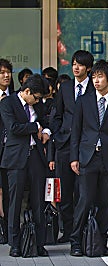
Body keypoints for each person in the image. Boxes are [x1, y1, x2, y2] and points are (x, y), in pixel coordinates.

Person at [69, 60, 108, 256]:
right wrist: (74, 157)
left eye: (100, 76)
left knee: (106, 203)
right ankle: (76, 241)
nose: (96, 80)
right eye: (94, 76)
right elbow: (75, 131)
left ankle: (100, 240)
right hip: (87, 157)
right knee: (84, 200)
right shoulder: (83, 101)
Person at [0, 74, 50, 257]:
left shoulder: (37, 104)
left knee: (38, 200)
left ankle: (39, 243)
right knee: (14, 202)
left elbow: (45, 122)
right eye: (35, 98)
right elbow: (13, 128)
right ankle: (14, 243)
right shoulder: (7, 103)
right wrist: (34, 126)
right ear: (26, 91)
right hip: (15, 158)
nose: (37, 101)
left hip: (36, 157)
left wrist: (45, 130)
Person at [50, 50, 95, 244]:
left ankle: (84, 230)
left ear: (89, 68)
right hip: (65, 146)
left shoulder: (95, 88)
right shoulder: (66, 87)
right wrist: (58, 134)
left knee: (84, 193)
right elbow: (56, 114)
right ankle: (67, 230)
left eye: (80, 65)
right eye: (74, 64)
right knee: (65, 192)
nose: (76, 67)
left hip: (87, 147)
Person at [0, 59, 14, 243]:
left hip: (11, 152)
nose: (6, 75)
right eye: (2, 72)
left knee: (9, 191)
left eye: (8, 72)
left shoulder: (16, 97)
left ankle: (9, 230)